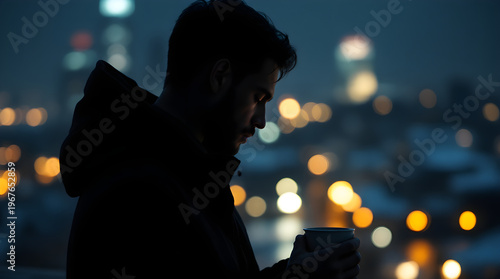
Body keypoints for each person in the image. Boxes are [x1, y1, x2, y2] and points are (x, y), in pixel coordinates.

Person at [59, 1, 361, 278]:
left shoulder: (177, 171)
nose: (261, 121)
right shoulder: (140, 193)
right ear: (219, 76)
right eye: (257, 98)